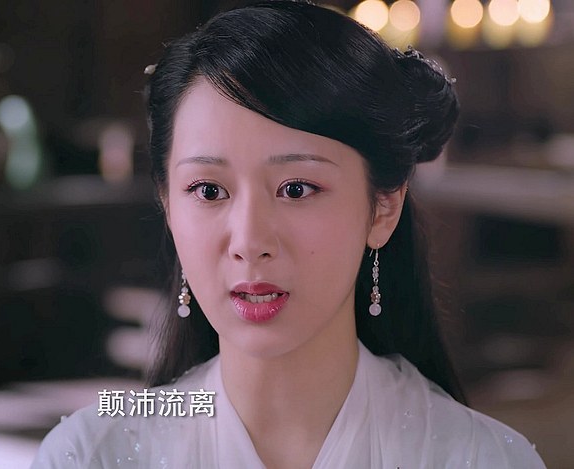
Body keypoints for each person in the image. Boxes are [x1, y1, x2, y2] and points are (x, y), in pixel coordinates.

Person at [31, 1, 546, 467]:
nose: (249, 241)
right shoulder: (93, 455)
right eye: (208, 190)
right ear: (167, 206)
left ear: (383, 207)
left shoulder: (479, 458)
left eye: (296, 189)